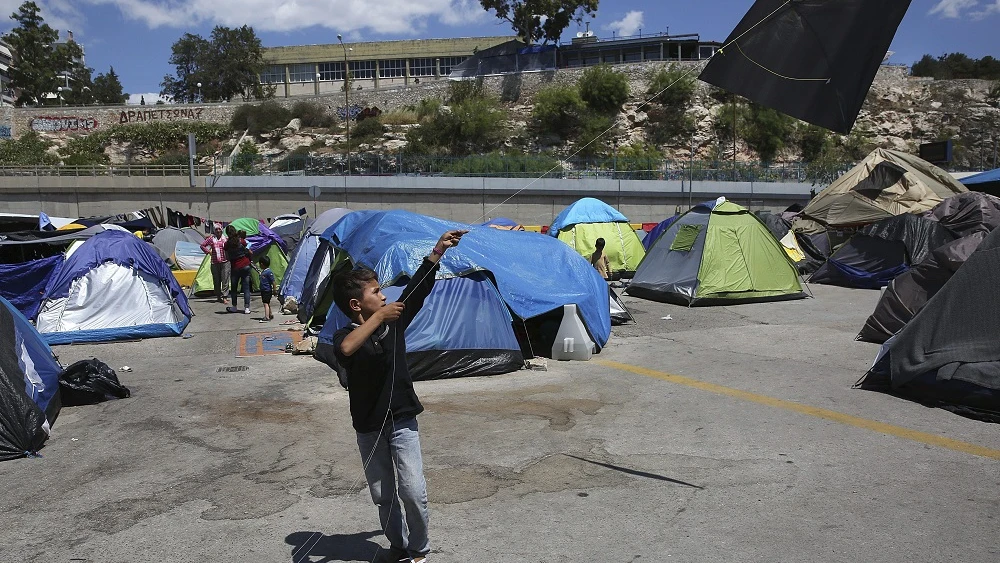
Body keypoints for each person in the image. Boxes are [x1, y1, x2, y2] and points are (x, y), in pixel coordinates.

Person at [322, 229, 467, 563]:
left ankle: (419, 549)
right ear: (357, 304)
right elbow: (345, 350)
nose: (385, 296)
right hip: (369, 427)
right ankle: (398, 544)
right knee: (382, 494)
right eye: (377, 292)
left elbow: (418, 288)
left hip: (402, 419)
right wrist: (376, 320)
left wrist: (438, 250)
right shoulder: (346, 334)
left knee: (413, 491)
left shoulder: (394, 322)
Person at [225, 228, 253, 314]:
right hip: (245, 265)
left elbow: (227, 257)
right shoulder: (241, 241)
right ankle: (247, 308)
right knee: (246, 288)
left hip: (235, 267)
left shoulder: (226, 244)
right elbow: (249, 250)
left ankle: (234, 307)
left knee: (234, 288)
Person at [200, 225, 230, 303]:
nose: (218, 231)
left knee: (225, 278)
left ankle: (225, 296)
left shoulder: (226, 239)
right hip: (215, 262)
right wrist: (208, 252)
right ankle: (218, 296)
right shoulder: (211, 239)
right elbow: (202, 245)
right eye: (216, 229)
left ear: (222, 230)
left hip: (225, 261)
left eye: (219, 229)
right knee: (216, 280)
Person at [257, 255, 275, 322]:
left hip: (266, 290)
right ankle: (270, 314)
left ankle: (266, 317)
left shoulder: (268, 272)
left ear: (262, 264)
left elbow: (273, 281)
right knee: (267, 303)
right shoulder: (263, 272)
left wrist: (274, 289)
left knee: (265, 303)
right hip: (264, 290)